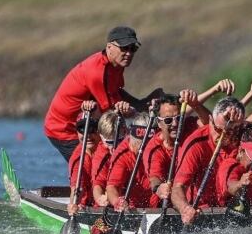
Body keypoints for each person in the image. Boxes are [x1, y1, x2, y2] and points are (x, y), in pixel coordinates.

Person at [44, 26, 164, 162]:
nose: (129, 53)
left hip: (85, 123)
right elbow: (109, 115)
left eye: (133, 48)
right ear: (109, 47)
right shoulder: (97, 72)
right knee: (95, 166)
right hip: (63, 129)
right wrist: (138, 115)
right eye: (124, 48)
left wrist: (143, 103)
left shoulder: (116, 65)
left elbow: (116, 92)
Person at [172, 97, 245, 225]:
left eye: (229, 132)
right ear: (210, 120)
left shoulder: (242, 137)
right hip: (200, 212)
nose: (223, 136)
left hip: (233, 209)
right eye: (218, 130)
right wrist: (185, 209)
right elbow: (178, 187)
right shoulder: (196, 144)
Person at [142, 89, 212, 203]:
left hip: (193, 201)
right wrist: (159, 188)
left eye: (178, 118)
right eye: (168, 120)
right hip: (165, 204)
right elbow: (154, 178)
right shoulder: (154, 149)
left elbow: (211, 125)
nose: (175, 124)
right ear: (159, 123)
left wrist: (196, 105)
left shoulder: (188, 126)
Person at [106, 112, 158, 211]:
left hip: (158, 205)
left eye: (149, 145)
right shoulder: (122, 155)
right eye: (142, 146)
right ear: (132, 140)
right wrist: (118, 202)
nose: (146, 150)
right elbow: (112, 187)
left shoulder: (159, 145)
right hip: (133, 208)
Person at [217, 123, 252, 207]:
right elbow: (231, 186)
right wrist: (240, 184)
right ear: (241, 151)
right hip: (228, 214)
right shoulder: (230, 165)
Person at [66, 111, 101, 216]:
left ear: (100, 131)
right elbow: (77, 188)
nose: (88, 135)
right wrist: (73, 204)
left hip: (109, 204)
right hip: (87, 208)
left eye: (92, 130)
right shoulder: (78, 159)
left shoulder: (108, 150)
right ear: (77, 132)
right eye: (82, 130)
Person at [91, 109, 126, 208]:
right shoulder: (101, 156)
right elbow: (98, 185)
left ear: (125, 132)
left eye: (119, 140)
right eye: (110, 142)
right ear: (101, 136)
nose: (115, 147)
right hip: (110, 204)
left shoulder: (132, 146)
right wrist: (99, 198)